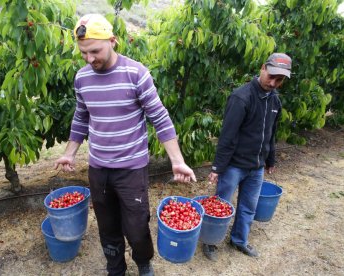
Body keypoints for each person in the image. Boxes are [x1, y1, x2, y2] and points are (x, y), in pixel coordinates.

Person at [54, 14, 197, 276]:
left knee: (136, 226)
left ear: (113, 41)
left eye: (95, 51)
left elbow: (160, 118)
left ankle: (143, 263)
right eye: (83, 53)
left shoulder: (136, 74)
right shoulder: (82, 78)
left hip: (131, 170)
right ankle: (115, 268)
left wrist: (176, 160)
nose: (89, 58)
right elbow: (81, 116)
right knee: (107, 226)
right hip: (99, 169)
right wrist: (70, 153)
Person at [204, 53, 292, 261]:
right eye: (271, 76)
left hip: (257, 166)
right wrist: (218, 168)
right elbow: (228, 135)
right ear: (263, 67)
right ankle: (211, 242)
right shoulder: (241, 97)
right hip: (234, 166)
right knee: (221, 206)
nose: (273, 83)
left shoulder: (275, 102)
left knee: (248, 207)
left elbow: (271, 133)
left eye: (279, 80)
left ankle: (239, 240)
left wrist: (270, 159)